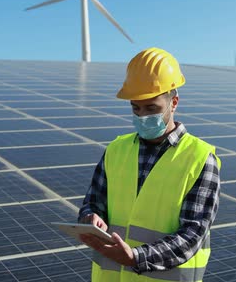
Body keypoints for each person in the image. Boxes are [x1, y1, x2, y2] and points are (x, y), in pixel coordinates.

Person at [78, 47, 221, 282]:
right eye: (136, 108)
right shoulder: (116, 150)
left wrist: (136, 258)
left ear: (173, 102)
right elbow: (93, 202)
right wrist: (89, 217)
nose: (142, 116)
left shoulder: (200, 158)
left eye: (152, 108)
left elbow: (192, 234)